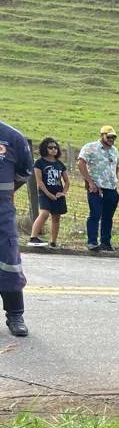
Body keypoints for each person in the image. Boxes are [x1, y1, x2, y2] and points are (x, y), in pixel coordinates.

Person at [0, 118, 33, 336]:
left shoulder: (12, 137)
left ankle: (15, 315)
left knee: (9, 263)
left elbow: (24, 172)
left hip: (2, 214)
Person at [77, 125, 119, 251]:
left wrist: (115, 180)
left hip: (111, 188)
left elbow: (117, 166)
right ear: (102, 135)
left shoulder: (115, 151)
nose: (111, 139)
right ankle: (92, 241)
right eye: (109, 137)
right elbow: (81, 163)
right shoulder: (90, 147)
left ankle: (106, 242)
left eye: (114, 137)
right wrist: (89, 182)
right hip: (96, 188)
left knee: (108, 217)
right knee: (95, 214)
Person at [29, 137, 69, 247]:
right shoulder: (39, 163)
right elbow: (39, 181)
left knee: (56, 217)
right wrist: (48, 194)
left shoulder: (60, 164)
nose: (54, 150)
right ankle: (33, 237)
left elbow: (67, 181)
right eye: (50, 147)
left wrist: (63, 193)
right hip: (44, 193)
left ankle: (53, 242)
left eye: (55, 147)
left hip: (58, 194)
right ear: (45, 148)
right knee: (44, 213)